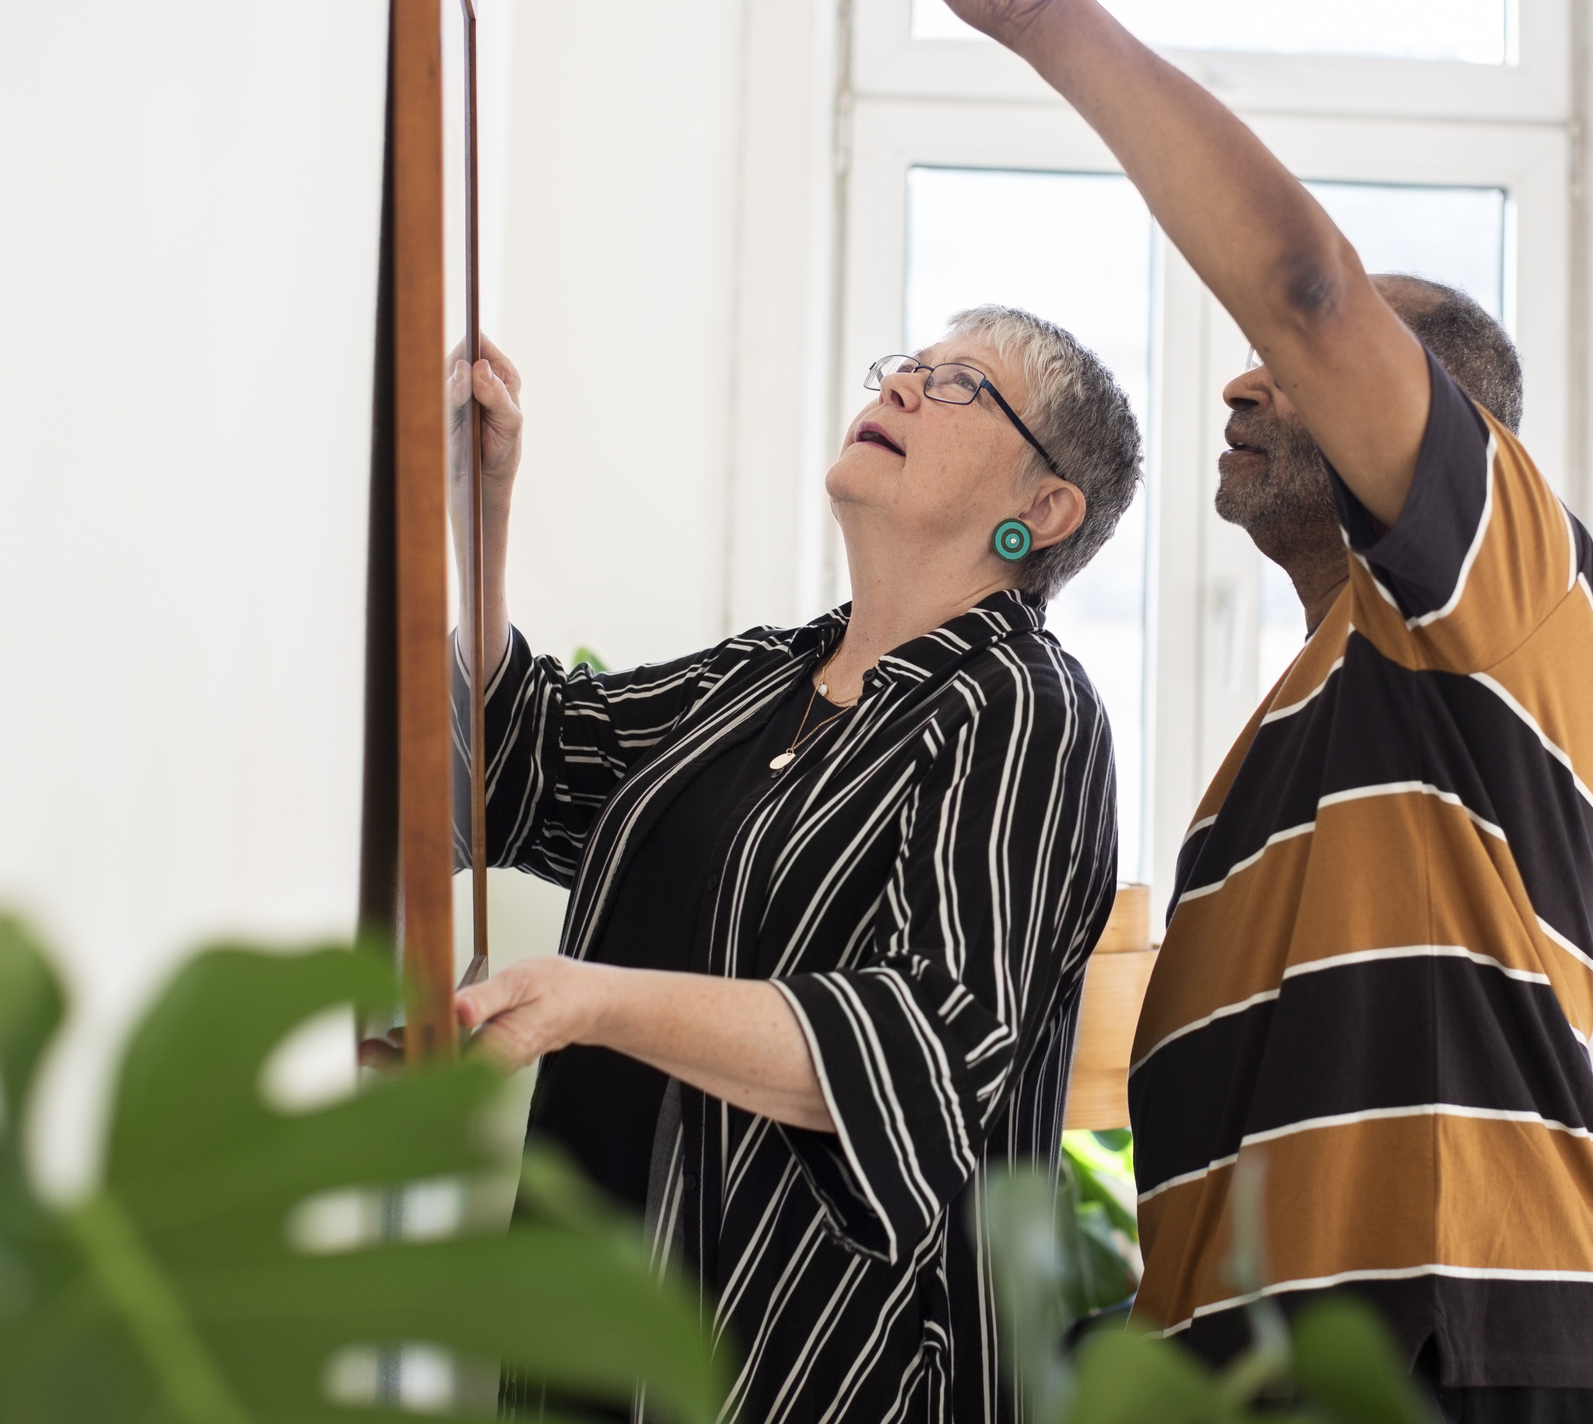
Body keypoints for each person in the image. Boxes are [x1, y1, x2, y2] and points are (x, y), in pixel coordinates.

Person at [893, 0, 1593, 1420]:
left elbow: (1306, 291)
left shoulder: (1514, 594)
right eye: (1246, 368)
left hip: (1451, 1327)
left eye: (1294, 370)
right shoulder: (1299, 731)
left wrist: (1043, 13)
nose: (1243, 383)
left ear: (1453, 439)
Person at [448, 304, 1143, 1424]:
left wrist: (596, 1001)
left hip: (830, 1368)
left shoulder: (1023, 707)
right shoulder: (767, 676)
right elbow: (521, 763)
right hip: (598, 1325)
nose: (906, 385)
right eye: (907, 365)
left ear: (1042, 509)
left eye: (962, 383)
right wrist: (481, 508)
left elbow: (929, 1043)